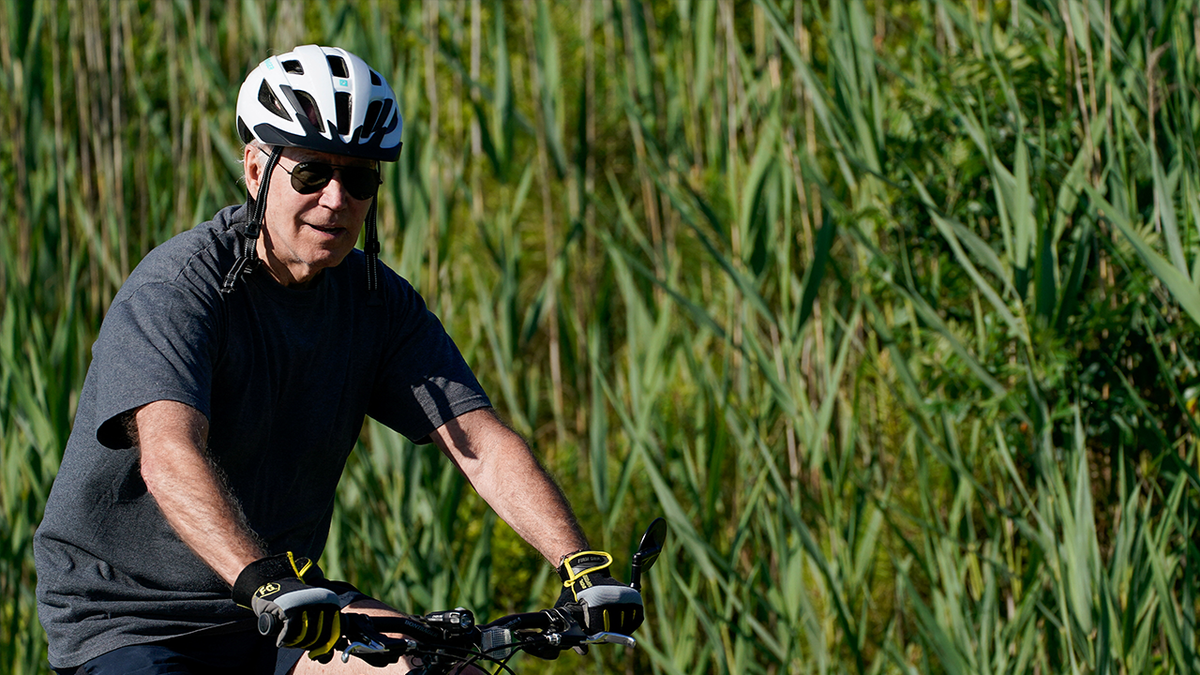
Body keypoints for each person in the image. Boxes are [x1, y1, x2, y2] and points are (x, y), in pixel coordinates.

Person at [33, 44, 642, 675]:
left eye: (358, 179)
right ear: (254, 169)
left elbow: (480, 444)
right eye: (311, 173)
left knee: (434, 670)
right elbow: (169, 453)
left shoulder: (376, 302)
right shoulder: (181, 288)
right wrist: (262, 580)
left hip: (290, 609)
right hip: (133, 619)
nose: (334, 198)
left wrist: (580, 565)